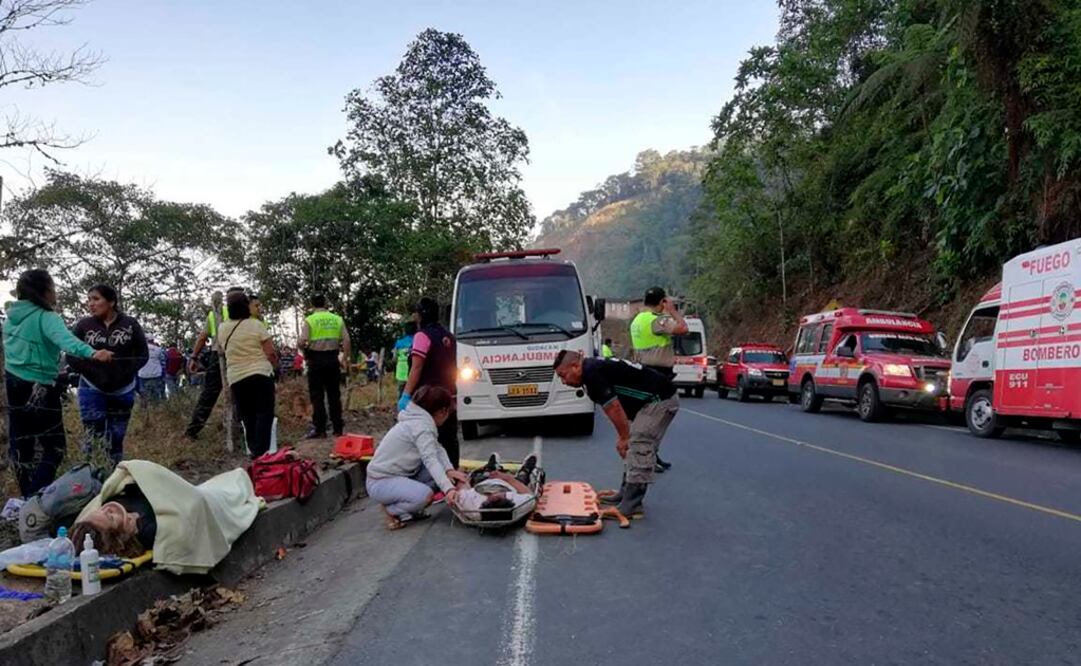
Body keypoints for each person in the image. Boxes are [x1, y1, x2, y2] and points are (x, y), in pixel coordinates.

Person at [4, 270, 113, 497]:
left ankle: (26, 496)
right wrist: (93, 353)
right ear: (42, 291)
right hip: (40, 386)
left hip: (13, 383)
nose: (55, 292)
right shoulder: (46, 317)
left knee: (22, 444)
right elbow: (66, 340)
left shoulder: (12, 316)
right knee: (55, 448)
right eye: (52, 287)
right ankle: (35, 498)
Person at [553, 350, 679, 520]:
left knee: (639, 443)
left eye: (563, 375)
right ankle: (626, 493)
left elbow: (614, 408)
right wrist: (624, 437)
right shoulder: (591, 369)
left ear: (576, 366)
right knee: (631, 445)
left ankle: (632, 505)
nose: (564, 381)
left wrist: (624, 437)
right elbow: (615, 406)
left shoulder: (591, 373)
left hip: (659, 399)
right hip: (648, 400)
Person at [366, 386, 468, 530]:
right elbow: (431, 460)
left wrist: (449, 470)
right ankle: (391, 510)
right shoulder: (421, 427)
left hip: (400, 475)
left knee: (443, 475)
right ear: (442, 411)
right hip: (381, 481)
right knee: (424, 497)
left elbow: (437, 449)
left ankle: (410, 507)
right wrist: (449, 489)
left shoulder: (420, 421)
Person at [69, 285, 149, 466]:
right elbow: (71, 355)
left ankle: (113, 475)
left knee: (116, 436)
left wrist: (125, 373)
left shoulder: (130, 324)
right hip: (91, 388)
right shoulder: (83, 326)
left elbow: (142, 354)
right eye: (89, 299)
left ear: (111, 301)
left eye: (96, 299)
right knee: (93, 435)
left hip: (124, 389)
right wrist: (93, 372)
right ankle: (89, 476)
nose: (91, 304)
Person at [629, 287, 687, 472]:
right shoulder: (657, 321)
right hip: (658, 374)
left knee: (648, 416)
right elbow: (683, 329)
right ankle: (649, 456)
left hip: (643, 371)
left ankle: (651, 454)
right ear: (662, 302)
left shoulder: (637, 320)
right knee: (659, 416)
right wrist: (673, 311)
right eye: (665, 301)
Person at [400, 297, 459, 467]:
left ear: (421, 315)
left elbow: (417, 368)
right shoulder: (449, 337)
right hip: (449, 395)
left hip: (429, 398)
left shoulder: (422, 336)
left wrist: (406, 395)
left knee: (430, 441)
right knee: (450, 440)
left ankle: (437, 482)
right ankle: (454, 477)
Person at [218, 291, 278, 457]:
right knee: (264, 413)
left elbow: (222, 349)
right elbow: (270, 352)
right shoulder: (256, 325)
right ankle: (261, 451)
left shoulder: (222, 328)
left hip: (236, 377)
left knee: (247, 415)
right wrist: (275, 366)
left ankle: (253, 449)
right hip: (260, 373)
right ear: (246, 306)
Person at [298, 294, 350, 438]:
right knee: (334, 394)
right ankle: (338, 428)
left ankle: (320, 429)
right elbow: (346, 340)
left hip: (316, 360)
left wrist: (303, 348)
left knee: (317, 395)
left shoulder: (310, 320)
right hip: (333, 359)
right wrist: (344, 358)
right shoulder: (337, 319)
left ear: (312, 304)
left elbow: (302, 341)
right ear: (326, 303)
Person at [185, 290, 229, 439]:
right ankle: (242, 428)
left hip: (217, 355)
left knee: (209, 394)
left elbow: (202, 338)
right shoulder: (241, 310)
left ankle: (192, 430)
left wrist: (194, 357)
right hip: (237, 355)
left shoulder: (213, 314)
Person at [138, 337, 166, 403]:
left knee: (144, 395)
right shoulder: (159, 349)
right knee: (156, 395)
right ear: (152, 340)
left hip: (143, 374)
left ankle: (144, 410)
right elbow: (163, 362)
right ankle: (155, 410)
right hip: (156, 374)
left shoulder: (140, 350)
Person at [393, 322, 416, 396]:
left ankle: (401, 407)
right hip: (414, 372)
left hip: (401, 372)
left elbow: (394, 358)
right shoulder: (417, 341)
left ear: (405, 331)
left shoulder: (399, 343)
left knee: (400, 394)